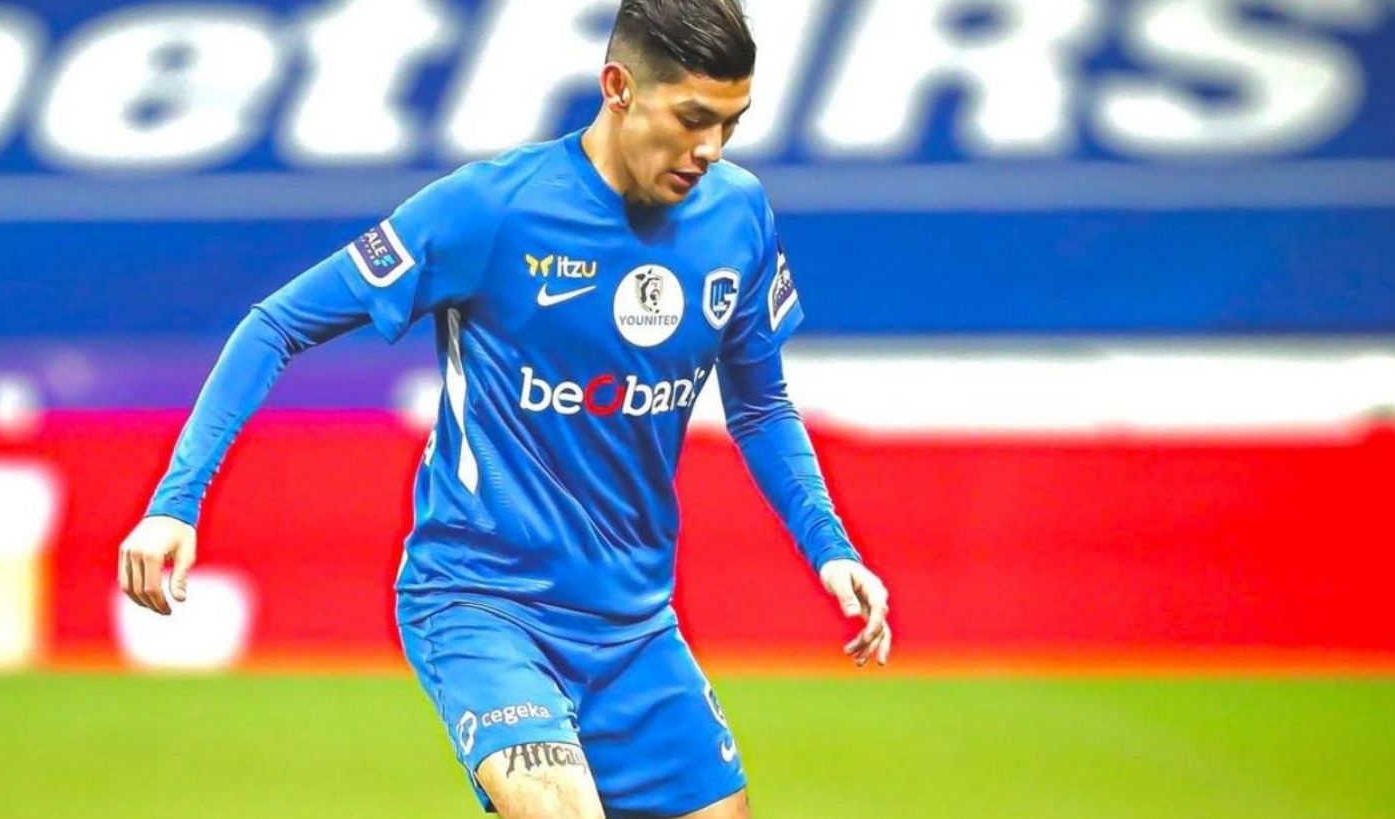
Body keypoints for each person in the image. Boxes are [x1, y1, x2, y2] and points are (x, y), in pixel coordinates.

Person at [116, 1, 891, 816]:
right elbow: (276, 324)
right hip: (484, 604)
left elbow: (761, 405)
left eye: (732, 124)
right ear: (618, 87)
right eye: (693, 119)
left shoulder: (738, 215)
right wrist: (175, 502)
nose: (711, 149)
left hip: (634, 625)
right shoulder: (490, 210)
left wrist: (830, 546)